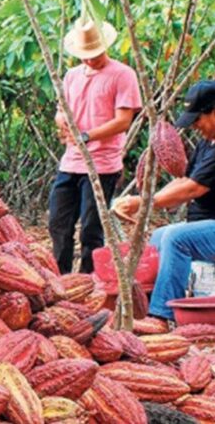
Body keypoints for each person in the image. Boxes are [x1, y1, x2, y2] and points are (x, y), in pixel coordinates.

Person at [114, 80, 215, 321]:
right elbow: (185, 179)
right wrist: (145, 200)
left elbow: (193, 188)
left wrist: (143, 204)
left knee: (177, 239)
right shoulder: (208, 142)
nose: (195, 126)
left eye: (197, 119)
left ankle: (161, 316)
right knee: (159, 237)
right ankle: (143, 306)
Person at [48, 18, 142, 274]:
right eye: (84, 55)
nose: (89, 60)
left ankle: (89, 281)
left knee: (91, 229)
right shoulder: (71, 76)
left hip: (103, 163)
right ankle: (61, 278)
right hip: (71, 162)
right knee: (58, 223)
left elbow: (123, 121)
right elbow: (60, 110)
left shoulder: (123, 74)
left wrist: (87, 136)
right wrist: (62, 122)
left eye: (94, 54)